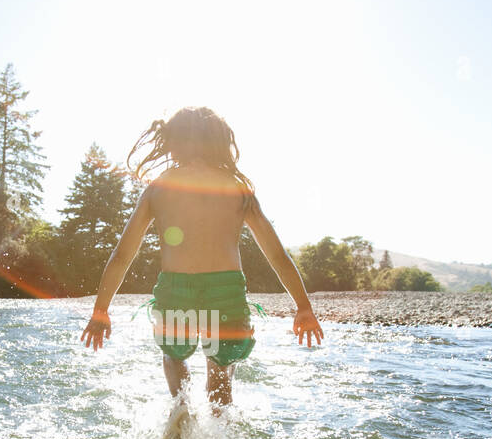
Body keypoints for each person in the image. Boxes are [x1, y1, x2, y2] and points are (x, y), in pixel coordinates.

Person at [81, 107, 323, 421]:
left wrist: (101, 310)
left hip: (176, 289)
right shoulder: (238, 189)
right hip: (225, 292)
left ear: (172, 142)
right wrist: (303, 307)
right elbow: (277, 256)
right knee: (221, 375)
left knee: (174, 356)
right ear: (219, 143)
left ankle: (181, 409)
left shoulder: (158, 188)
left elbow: (122, 257)